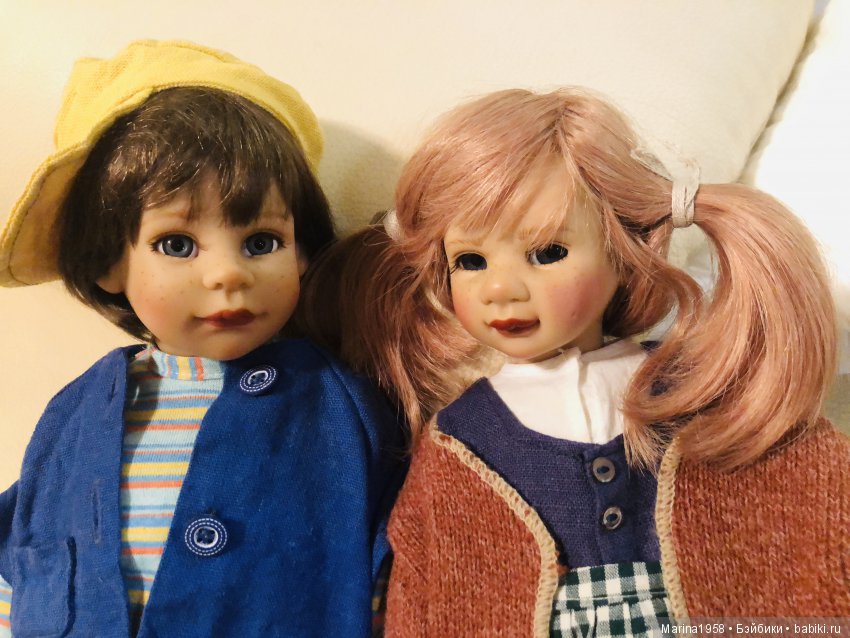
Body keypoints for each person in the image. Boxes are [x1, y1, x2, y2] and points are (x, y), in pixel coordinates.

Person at [301, 88, 850, 636]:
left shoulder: (703, 394)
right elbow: (426, 591)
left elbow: (810, 513)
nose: (501, 288)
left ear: (622, 250)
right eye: (470, 261)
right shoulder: (459, 440)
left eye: (548, 253)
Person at [0, 40, 402, 637]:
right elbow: (26, 539)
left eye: (262, 242)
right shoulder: (78, 412)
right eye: (177, 244)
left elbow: (395, 543)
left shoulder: (339, 405)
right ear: (110, 262)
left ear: (302, 254)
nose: (227, 274)